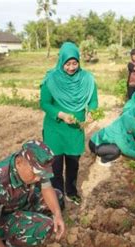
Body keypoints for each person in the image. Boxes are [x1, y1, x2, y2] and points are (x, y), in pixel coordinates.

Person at [40, 42, 98, 206]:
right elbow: (44, 103)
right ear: (61, 62)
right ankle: (58, 196)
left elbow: (93, 101)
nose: (71, 67)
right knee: (56, 167)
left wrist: (91, 112)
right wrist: (61, 114)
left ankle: (71, 192)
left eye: (74, 63)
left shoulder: (87, 79)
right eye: (67, 63)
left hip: (75, 130)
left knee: (73, 165)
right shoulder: (51, 79)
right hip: (55, 130)